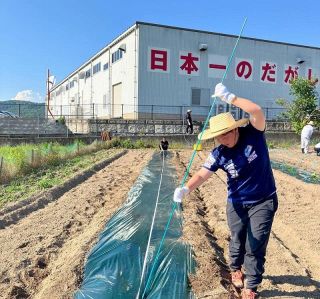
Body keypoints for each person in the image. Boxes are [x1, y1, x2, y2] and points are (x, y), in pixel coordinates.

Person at [174, 83, 278, 299]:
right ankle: (235, 269)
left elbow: (256, 110)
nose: (222, 139)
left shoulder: (254, 134)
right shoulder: (219, 153)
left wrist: (230, 97)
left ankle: (252, 285)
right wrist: (186, 189)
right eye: (217, 136)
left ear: (234, 129)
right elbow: (203, 173)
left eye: (224, 134)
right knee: (237, 238)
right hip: (237, 202)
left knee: (256, 240)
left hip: (263, 200)